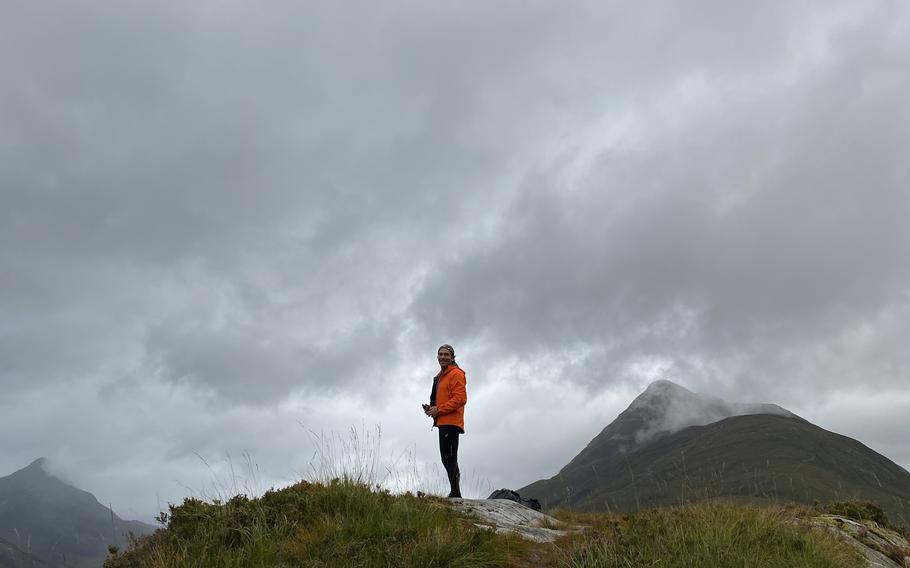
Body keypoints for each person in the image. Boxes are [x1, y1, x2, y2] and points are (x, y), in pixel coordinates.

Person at [423, 344, 467, 498]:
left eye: (446, 355)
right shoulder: (441, 376)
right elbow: (444, 399)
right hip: (443, 421)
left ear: (452, 358)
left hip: (451, 422)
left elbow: (461, 399)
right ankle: (455, 491)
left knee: (449, 457)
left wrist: (439, 410)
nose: (442, 357)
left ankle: (455, 493)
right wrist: (432, 409)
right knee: (446, 457)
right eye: (440, 354)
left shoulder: (456, 374)